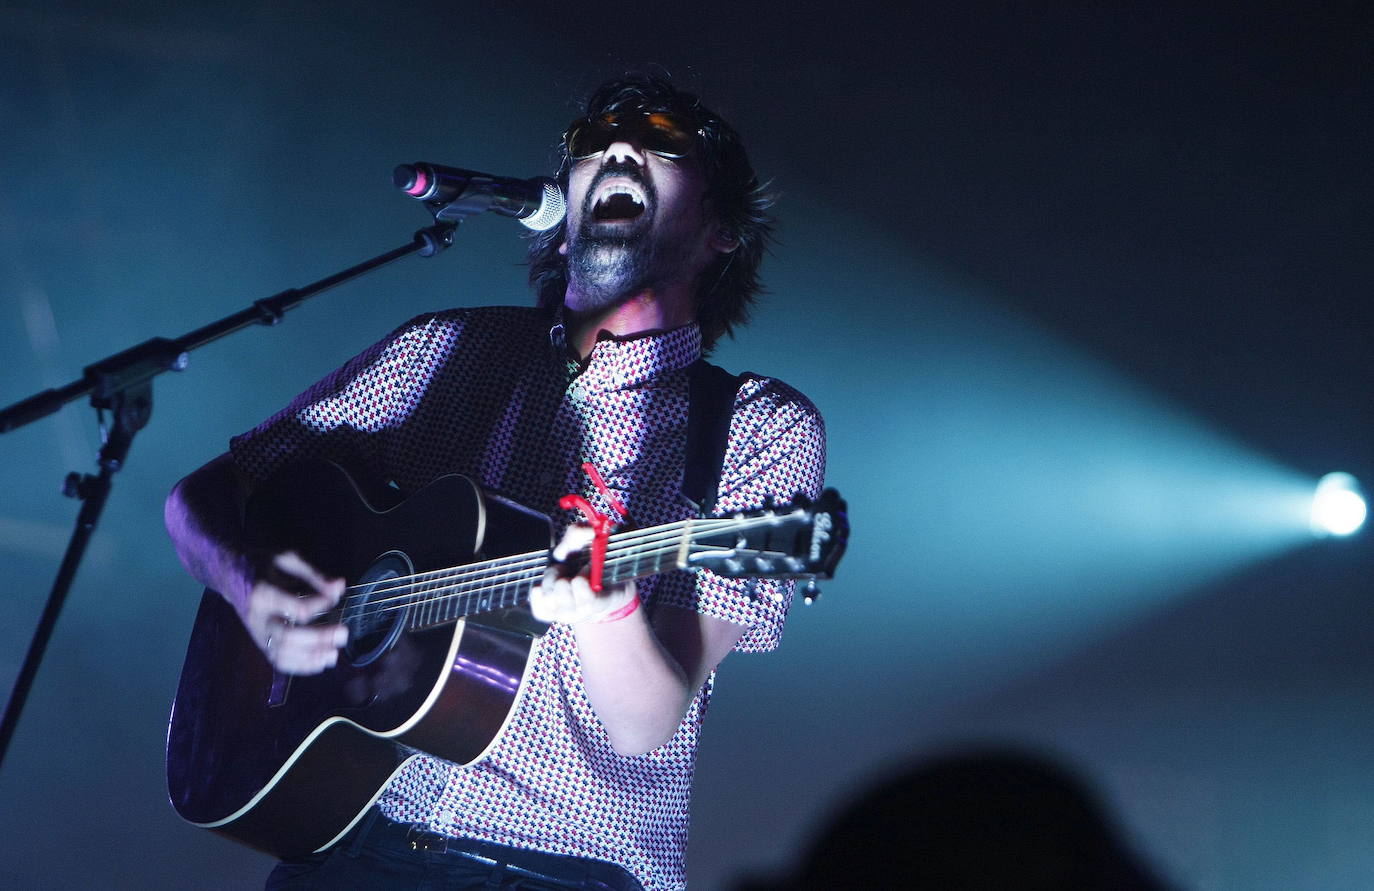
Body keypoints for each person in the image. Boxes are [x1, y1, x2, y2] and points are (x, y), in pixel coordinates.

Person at [165, 73, 826, 891]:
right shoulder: (438, 351)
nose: (618, 146)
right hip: (352, 843)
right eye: (593, 139)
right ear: (560, 208)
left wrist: (607, 607)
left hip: (565, 870)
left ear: (722, 228)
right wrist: (250, 583)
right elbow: (198, 497)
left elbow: (645, 723)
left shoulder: (756, 429)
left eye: (660, 137)